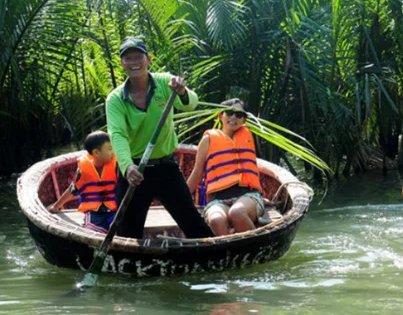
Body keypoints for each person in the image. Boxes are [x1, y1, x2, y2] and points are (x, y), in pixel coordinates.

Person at [106, 37, 214, 239]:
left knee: (194, 225)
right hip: (135, 171)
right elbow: (117, 134)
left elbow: (191, 103)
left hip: (165, 168)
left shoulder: (165, 82)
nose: (134, 62)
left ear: (149, 59)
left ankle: (214, 260)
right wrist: (127, 166)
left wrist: (182, 91)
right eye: (128, 58)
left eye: (138, 56)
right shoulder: (115, 99)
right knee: (128, 234)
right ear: (122, 64)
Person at [186, 99, 266, 236]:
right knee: (217, 220)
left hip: (248, 196)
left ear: (244, 120)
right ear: (220, 115)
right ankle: (226, 255)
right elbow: (197, 173)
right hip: (218, 200)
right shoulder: (208, 140)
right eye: (229, 113)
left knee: (237, 213)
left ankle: (256, 250)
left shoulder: (249, 135)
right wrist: (181, 199)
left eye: (239, 115)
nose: (233, 117)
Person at [48, 131, 118, 233]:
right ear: (96, 153)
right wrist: (56, 206)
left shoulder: (116, 165)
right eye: (110, 149)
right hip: (94, 212)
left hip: (115, 210)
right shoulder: (83, 170)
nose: (113, 152)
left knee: (119, 228)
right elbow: (73, 189)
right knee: (90, 230)